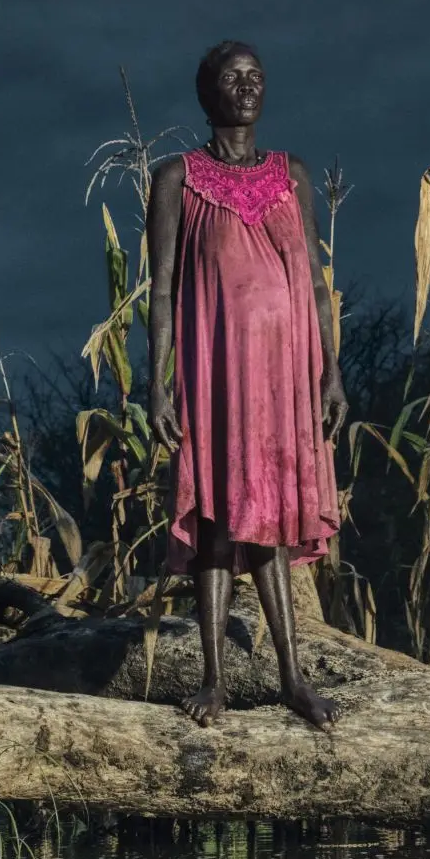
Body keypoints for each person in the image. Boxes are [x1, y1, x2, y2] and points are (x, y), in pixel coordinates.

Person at [147, 40, 348, 730]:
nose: (246, 86)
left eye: (256, 76)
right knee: (214, 519)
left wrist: (331, 374)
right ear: (207, 94)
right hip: (214, 371)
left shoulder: (292, 174)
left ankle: (292, 679)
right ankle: (213, 681)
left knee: (271, 525)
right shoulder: (177, 177)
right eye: (232, 78)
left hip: (285, 377)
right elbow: (162, 290)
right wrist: (159, 387)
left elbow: (317, 286)